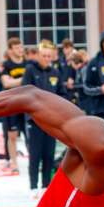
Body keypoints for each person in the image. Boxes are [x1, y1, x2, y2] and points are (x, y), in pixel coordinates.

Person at [22, 43, 67, 198]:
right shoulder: (30, 70)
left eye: (49, 56)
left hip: (52, 121)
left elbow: (62, 93)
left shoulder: (55, 72)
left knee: (49, 154)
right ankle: (33, 187)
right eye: (44, 56)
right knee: (35, 154)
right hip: (35, 121)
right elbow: (25, 93)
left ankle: (46, 186)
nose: (47, 59)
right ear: (38, 56)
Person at [1, 37, 27, 175]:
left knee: (30, 135)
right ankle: (14, 163)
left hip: (27, 104)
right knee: (12, 135)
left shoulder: (28, 64)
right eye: (17, 48)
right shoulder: (6, 65)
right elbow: (6, 83)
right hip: (12, 104)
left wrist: (14, 81)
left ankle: (34, 161)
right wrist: (24, 80)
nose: (20, 50)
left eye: (21, 47)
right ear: (10, 50)